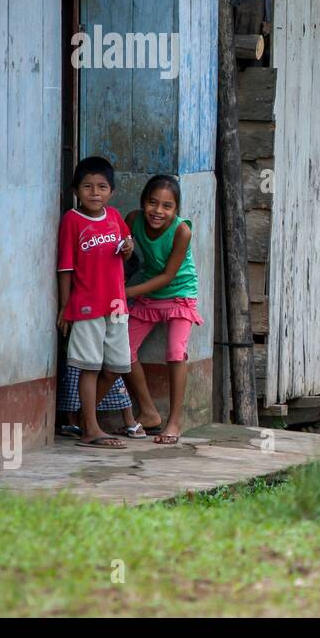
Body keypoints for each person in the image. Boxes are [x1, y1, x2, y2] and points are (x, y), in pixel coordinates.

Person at [57, 156, 134, 449]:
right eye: (87, 186)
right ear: (77, 190)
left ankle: (81, 417)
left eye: (102, 187)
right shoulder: (72, 221)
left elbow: (126, 249)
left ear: (111, 191)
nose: (94, 192)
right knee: (89, 367)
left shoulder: (114, 216)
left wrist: (128, 248)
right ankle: (90, 428)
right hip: (87, 305)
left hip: (117, 306)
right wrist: (65, 306)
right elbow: (65, 267)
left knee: (115, 366)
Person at [124, 175, 203, 446]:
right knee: (123, 349)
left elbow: (169, 275)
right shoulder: (133, 220)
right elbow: (122, 252)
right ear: (143, 202)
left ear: (176, 210)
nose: (158, 211)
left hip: (179, 293)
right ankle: (148, 411)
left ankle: (175, 420)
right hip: (149, 291)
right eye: (152, 203)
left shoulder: (182, 231)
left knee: (175, 352)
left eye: (167, 206)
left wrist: (127, 293)